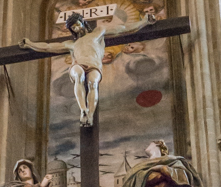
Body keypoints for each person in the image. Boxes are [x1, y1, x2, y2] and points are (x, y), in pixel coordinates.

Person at [20, 10, 155, 127]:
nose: (77, 29)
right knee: (79, 75)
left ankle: (89, 114)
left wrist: (144, 22)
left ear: (83, 22)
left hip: (94, 65)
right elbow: (47, 47)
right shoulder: (71, 44)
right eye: (74, 28)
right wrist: (30, 44)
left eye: (77, 25)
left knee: (93, 83)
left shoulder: (98, 32)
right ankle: (83, 110)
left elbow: (123, 28)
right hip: (78, 64)